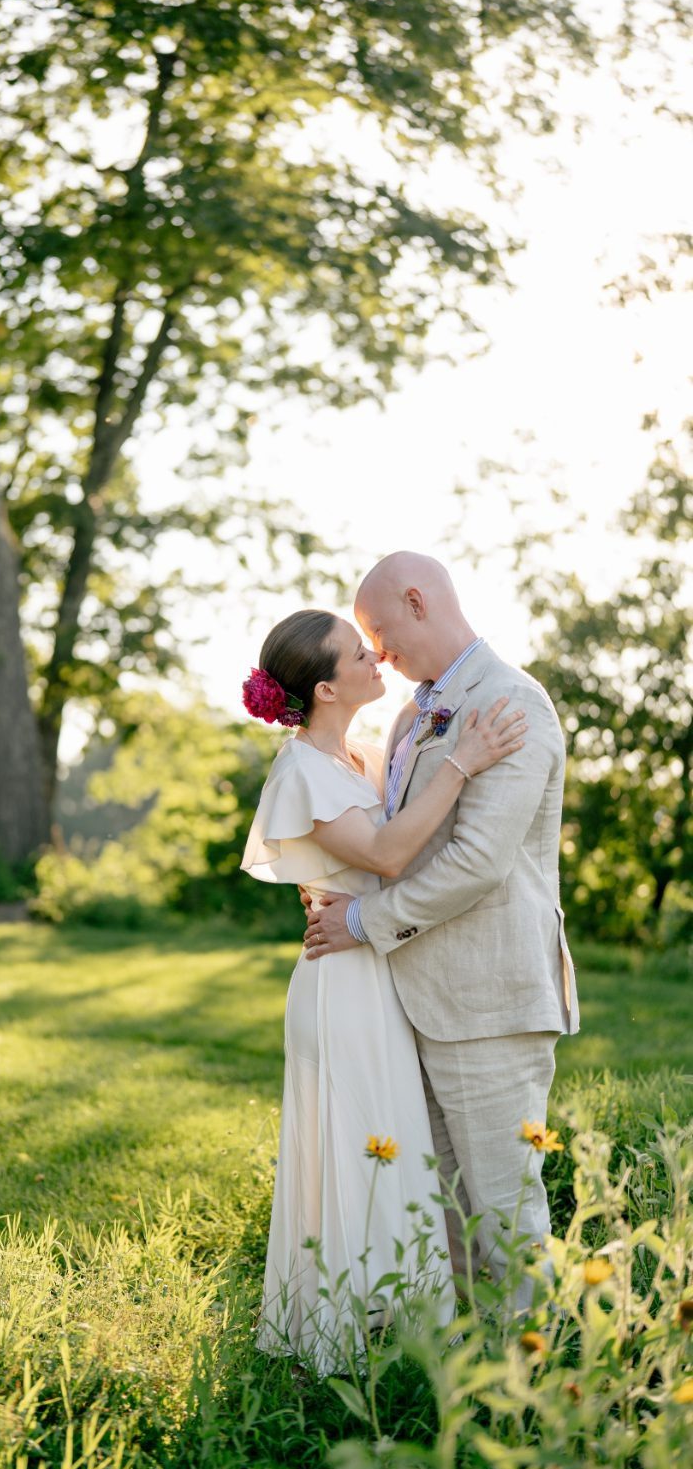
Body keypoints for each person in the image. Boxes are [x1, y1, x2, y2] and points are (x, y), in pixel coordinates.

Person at [240, 606, 528, 1374]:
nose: (377, 658)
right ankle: (340, 1340)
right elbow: (390, 854)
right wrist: (466, 759)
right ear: (326, 690)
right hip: (341, 984)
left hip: (374, 966)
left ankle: (399, 1327)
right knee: (357, 1146)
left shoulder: (361, 757)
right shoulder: (301, 771)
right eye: (357, 653)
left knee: (391, 1147)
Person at [302, 553, 579, 1313]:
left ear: (418, 602)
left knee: (505, 1222)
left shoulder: (511, 701)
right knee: (446, 1221)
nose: (379, 652)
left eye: (381, 632)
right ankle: (466, 1392)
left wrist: (361, 921)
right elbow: (392, 832)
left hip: (490, 1001)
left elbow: (479, 861)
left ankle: (542, 1394)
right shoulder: (412, 711)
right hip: (415, 1000)